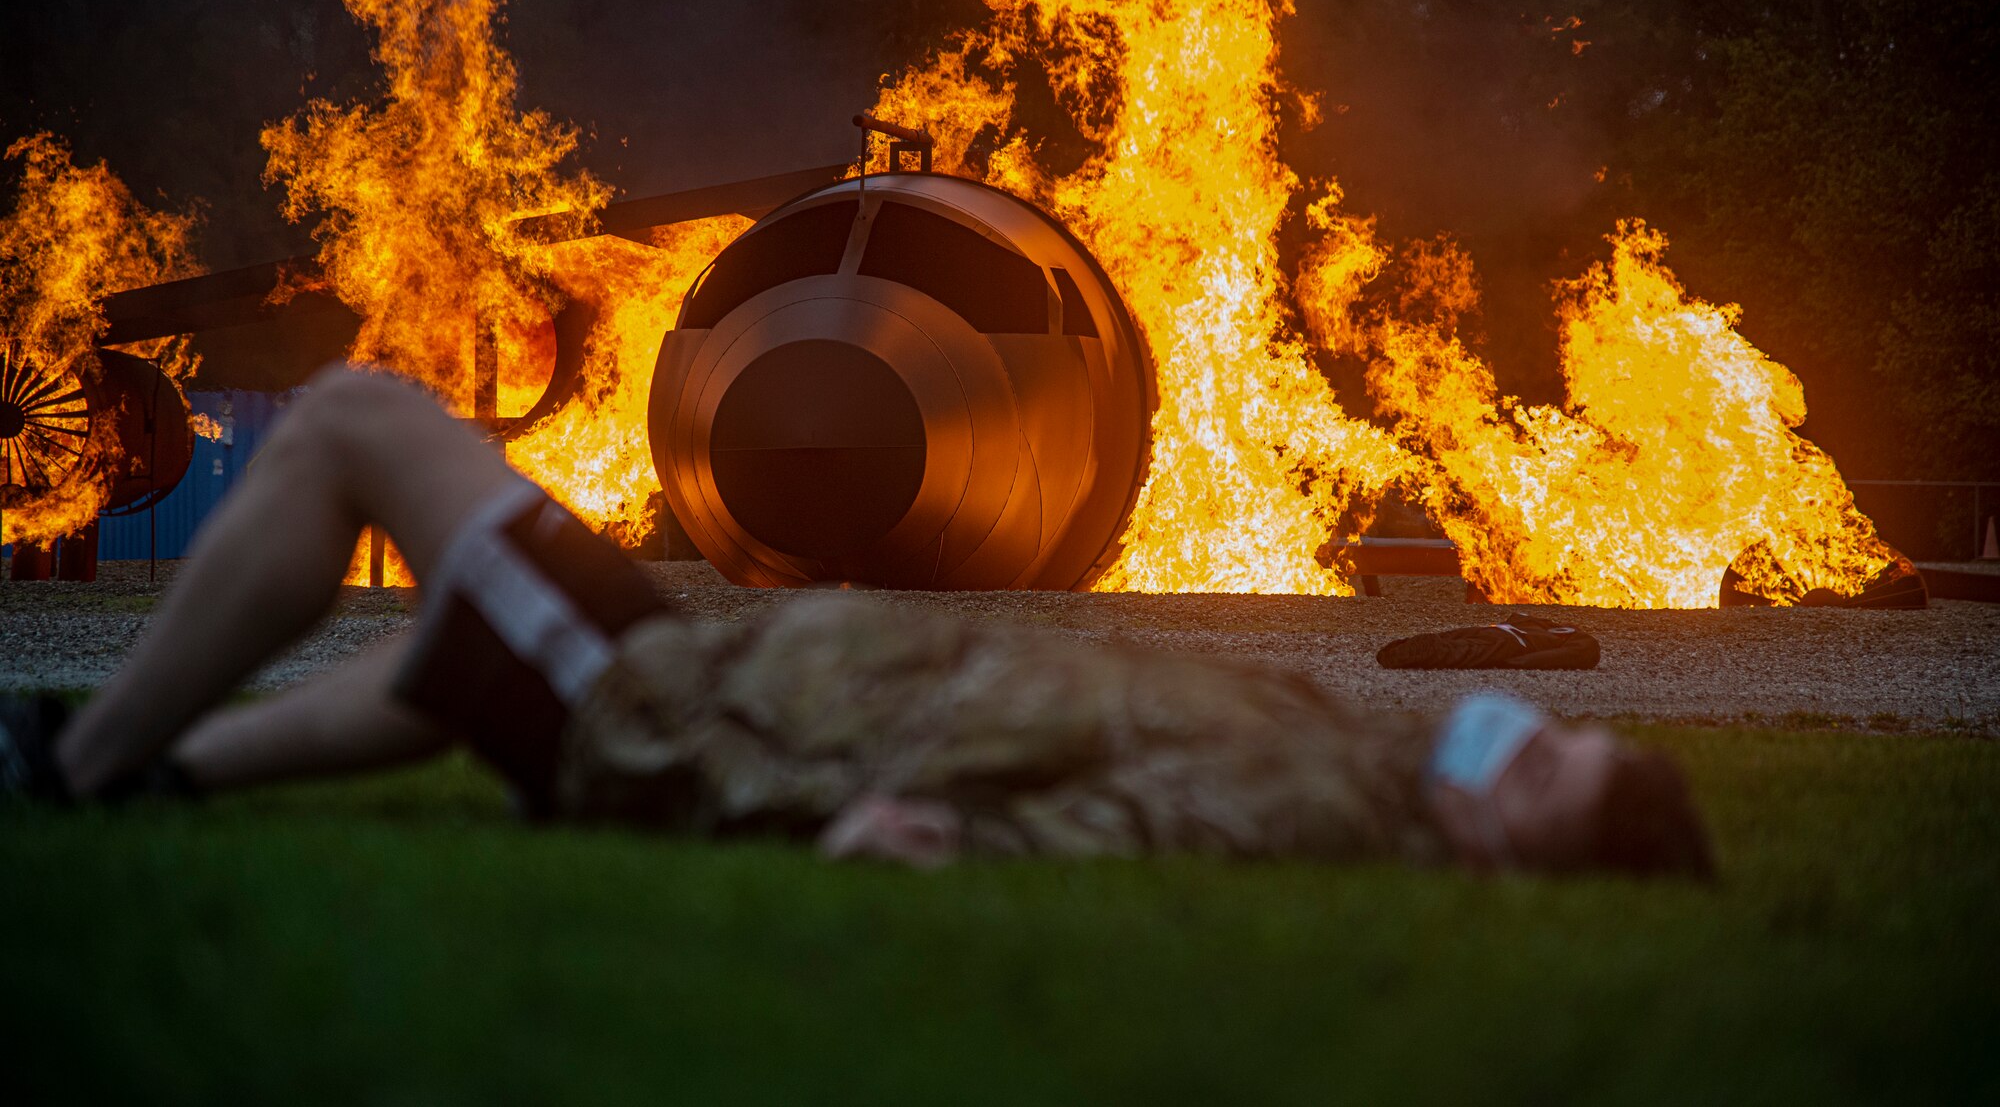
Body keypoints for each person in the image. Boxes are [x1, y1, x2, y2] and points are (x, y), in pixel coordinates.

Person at [0, 367, 1712, 876]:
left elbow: (1137, 818)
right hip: (730, 673)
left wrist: (916, 837)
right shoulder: (1376, 763)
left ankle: (82, 764)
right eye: (1564, 727)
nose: (1530, 732)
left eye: (1548, 768)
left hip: (692, 701)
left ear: (1505, 850)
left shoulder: (1330, 812)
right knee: (458, 661)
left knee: (359, 424)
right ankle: (151, 777)